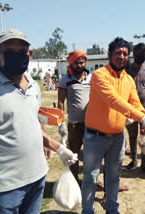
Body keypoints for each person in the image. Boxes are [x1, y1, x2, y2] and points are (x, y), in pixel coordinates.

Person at [0, 29, 77, 214]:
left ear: (29, 54)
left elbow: (32, 125)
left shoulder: (33, 85)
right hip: (6, 187)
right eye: (10, 51)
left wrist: (58, 148)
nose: (18, 55)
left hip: (38, 177)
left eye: (22, 51)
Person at [81, 37, 145, 214]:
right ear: (109, 55)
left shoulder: (128, 79)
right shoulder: (100, 75)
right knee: (90, 178)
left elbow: (135, 102)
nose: (122, 56)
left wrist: (144, 117)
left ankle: (112, 208)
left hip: (117, 137)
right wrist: (142, 117)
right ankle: (87, 210)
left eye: (125, 53)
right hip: (95, 137)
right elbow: (113, 100)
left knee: (114, 177)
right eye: (118, 52)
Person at [125, 43, 145, 177]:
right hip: (131, 109)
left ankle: (144, 165)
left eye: (143, 54)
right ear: (134, 54)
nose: (141, 56)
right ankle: (133, 160)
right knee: (133, 136)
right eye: (139, 54)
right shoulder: (127, 70)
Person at [57, 50, 91, 181]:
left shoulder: (91, 78)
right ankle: (74, 180)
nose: (79, 65)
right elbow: (60, 101)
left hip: (90, 124)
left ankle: (90, 179)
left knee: (90, 154)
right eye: (76, 63)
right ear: (71, 64)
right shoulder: (65, 80)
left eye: (81, 62)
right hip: (74, 124)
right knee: (74, 154)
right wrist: (61, 122)